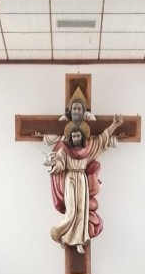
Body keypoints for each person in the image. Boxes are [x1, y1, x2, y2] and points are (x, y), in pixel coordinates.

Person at [37, 89, 124, 254]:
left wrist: (115, 125)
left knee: (82, 210)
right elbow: (59, 164)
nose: (76, 138)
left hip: (82, 180)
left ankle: (79, 240)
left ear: (82, 136)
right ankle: (60, 234)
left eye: (78, 136)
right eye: (74, 109)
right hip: (70, 179)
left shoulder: (88, 149)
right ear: (70, 137)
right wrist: (51, 164)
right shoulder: (65, 149)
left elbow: (102, 138)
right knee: (72, 210)